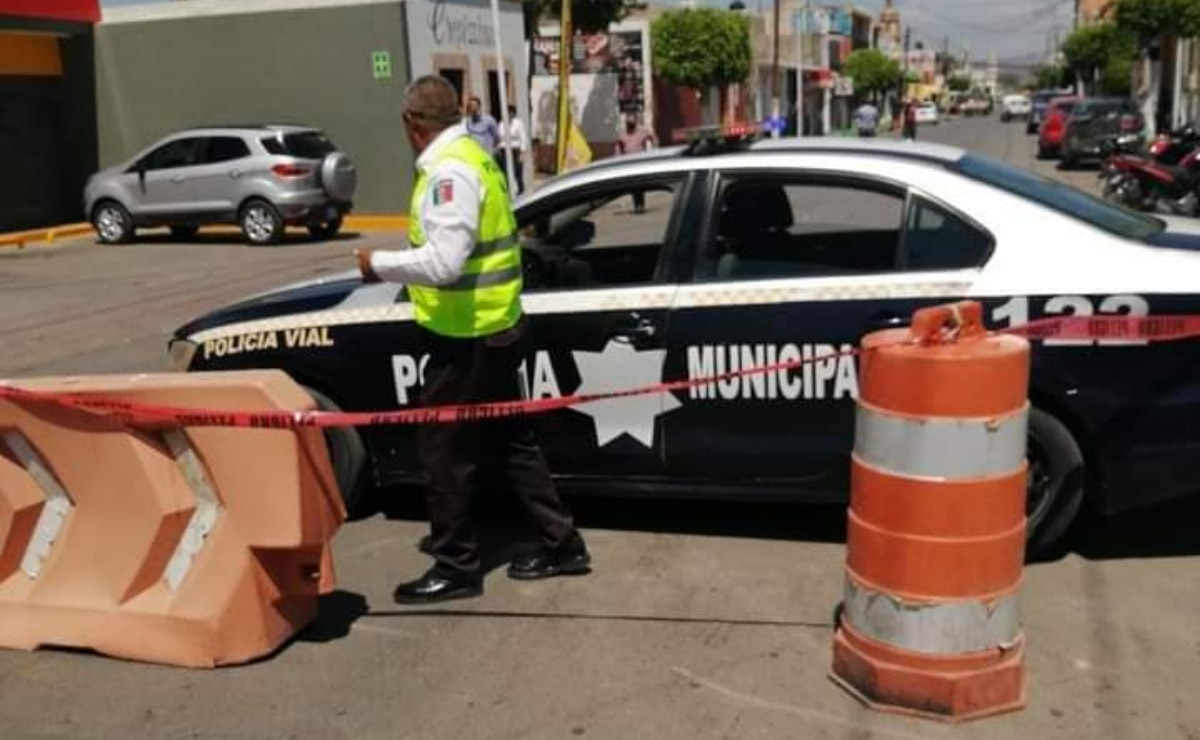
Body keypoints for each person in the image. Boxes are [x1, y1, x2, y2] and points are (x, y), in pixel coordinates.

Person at [354, 75, 591, 605]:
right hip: (493, 327)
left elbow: (444, 262)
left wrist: (379, 265)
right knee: (513, 442)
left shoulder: (450, 172)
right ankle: (563, 543)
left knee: (443, 452)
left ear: (411, 125)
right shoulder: (476, 156)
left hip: (468, 339)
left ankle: (456, 565)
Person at [614, 113, 656, 213]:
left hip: (640, 164)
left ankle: (641, 205)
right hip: (629, 165)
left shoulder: (641, 132)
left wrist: (654, 150)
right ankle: (636, 205)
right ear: (626, 123)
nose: (630, 124)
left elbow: (652, 137)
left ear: (635, 122)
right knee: (633, 186)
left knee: (640, 185)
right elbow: (618, 146)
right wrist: (618, 158)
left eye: (632, 122)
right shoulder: (622, 134)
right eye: (628, 122)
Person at [497, 104, 528, 195]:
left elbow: (523, 137)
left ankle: (521, 190)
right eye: (506, 113)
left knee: (517, 171)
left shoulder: (518, 123)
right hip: (504, 150)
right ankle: (507, 190)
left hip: (515, 150)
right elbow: (499, 138)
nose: (508, 115)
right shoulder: (501, 124)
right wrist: (498, 147)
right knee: (505, 172)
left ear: (513, 113)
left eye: (510, 113)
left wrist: (523, 152)